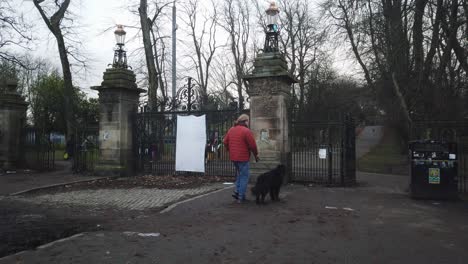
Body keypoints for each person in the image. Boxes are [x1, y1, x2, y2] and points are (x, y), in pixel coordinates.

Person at [223, 114, 259, 203]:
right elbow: (253, 145)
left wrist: (229, 149)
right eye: (248, 121)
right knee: (244, 177)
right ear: (245, 121)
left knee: (240, 175)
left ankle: (237, 192)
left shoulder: (231, 129)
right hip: (243, 158)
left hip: (234, 157)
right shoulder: (246, 131)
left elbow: (225, 141)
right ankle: (241, 196)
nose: (249, 122)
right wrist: (256, 155)